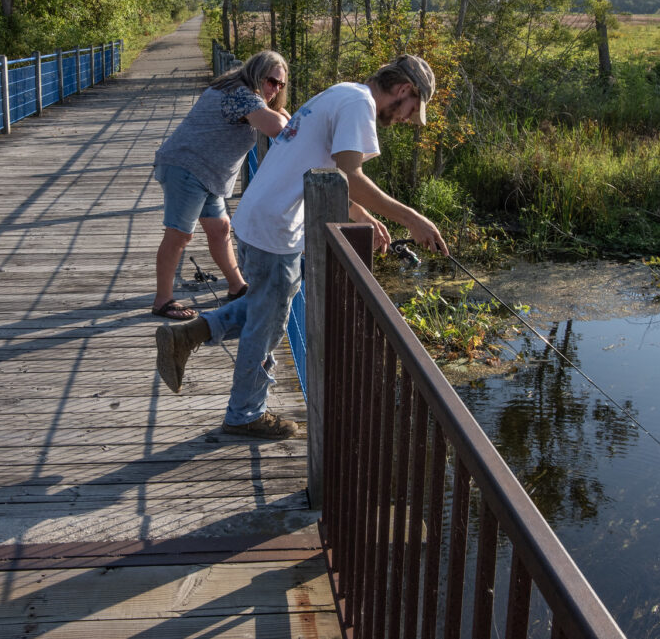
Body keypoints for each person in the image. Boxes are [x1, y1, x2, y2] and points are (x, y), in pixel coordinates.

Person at [154, 54, 449, 439]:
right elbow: (350, 174)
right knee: (267, 325)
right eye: (413, 109)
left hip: (262, 218)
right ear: (404, 89)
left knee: (270, 304)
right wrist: (412, 218)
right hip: (275, 227)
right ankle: (244, 414)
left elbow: (325, 169)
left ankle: (186, 336)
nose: (409, 118)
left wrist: (360, 214)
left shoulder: (344, 92)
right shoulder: (359, 105)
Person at [150, 50, 290, 320]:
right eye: (271, 81)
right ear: (256, 75)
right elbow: (278, 128)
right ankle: (162, 300)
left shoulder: (239, 92)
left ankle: (237, 287)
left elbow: (277, 121)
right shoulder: (240, 95)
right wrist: (282, 115)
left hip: (206, 173)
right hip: (188, 167)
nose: (275, 88)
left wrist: (279, 113)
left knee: (221, 228)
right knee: (179, 235)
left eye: (281, 84)